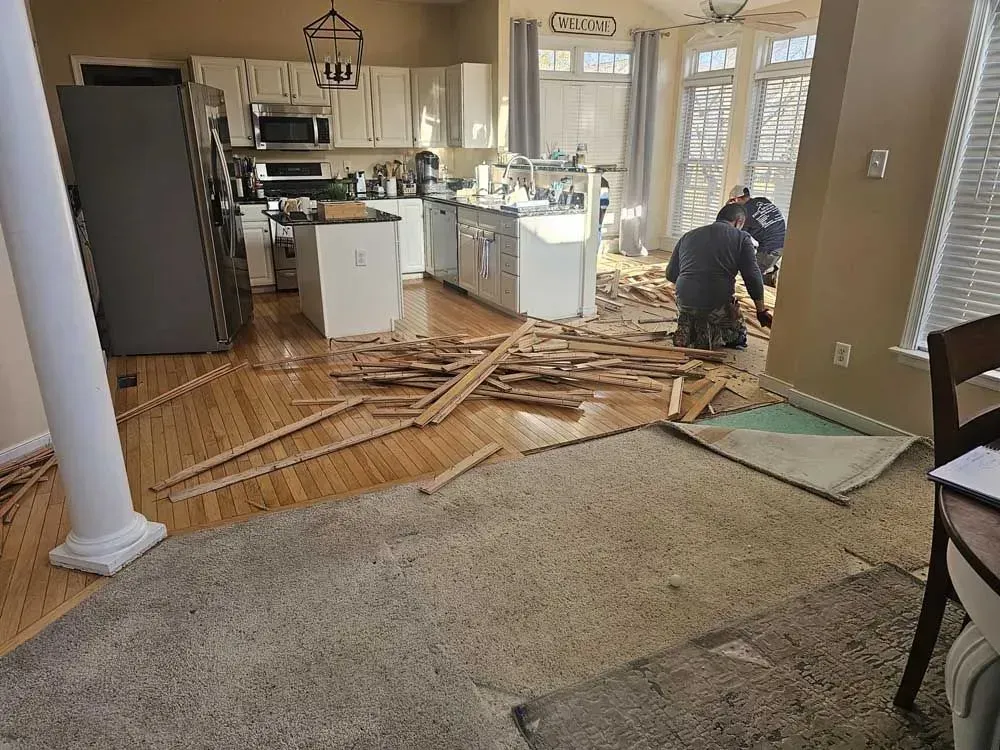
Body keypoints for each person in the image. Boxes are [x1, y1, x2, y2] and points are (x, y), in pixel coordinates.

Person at [666, 203, 773, 350]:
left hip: (684, 301)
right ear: (739, 222)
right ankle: (718, 334)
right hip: (716, 303)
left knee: (694, 313)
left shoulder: (688, 235)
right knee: (739, 336)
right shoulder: (742, 238)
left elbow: (671, 274)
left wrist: (691, 291)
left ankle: (689, 326)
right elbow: (752, 276)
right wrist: (761, 311)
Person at [728, 185, 786, 286]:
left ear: (737, 199)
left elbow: (738, 238)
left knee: (751, 276)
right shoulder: (762, 200)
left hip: (770, 248)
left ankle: (758, 298)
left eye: (733, 202)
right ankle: (769, 276)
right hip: (782, 242)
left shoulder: (743, 212)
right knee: (760, 271)